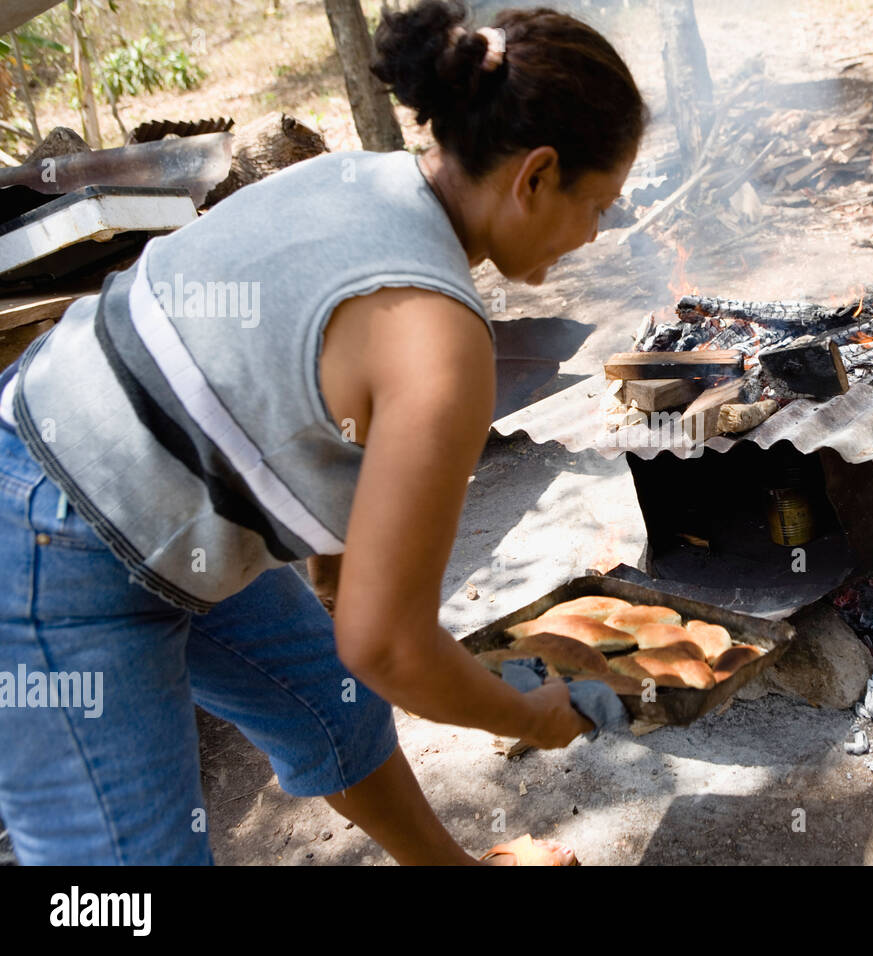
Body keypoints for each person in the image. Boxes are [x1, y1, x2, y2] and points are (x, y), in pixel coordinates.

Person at [0, 0, 647, 865]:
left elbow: (280, 394)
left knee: (329, 702)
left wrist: (338, 576)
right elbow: (386, 645)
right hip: (55, 533)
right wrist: (527, 713)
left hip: (111, 464)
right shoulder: (441, 339)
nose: (596, 231)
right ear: (535, 176)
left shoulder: (365, 179)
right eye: (598, 203)